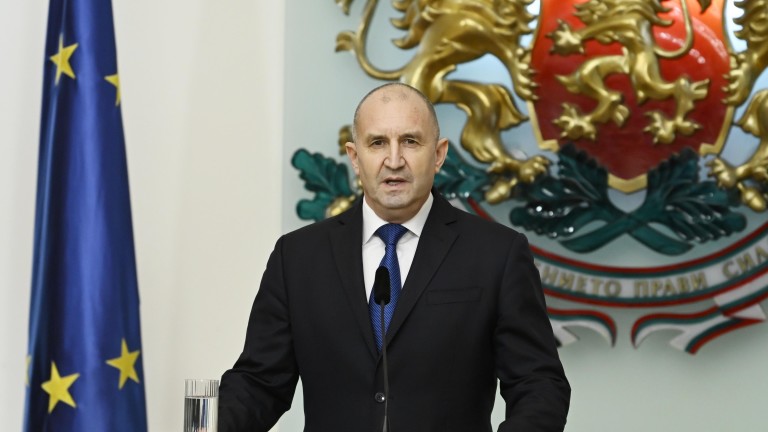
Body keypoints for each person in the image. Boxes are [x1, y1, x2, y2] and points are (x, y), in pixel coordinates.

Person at [218, 83, 570, 431]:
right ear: (355, 157)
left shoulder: (497, 254)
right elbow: (259, 383)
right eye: (377, 143)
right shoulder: (297, 257)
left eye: (411, 141)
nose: (394, 160)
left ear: (439, 154)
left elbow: (538, 383)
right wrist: (208, 425)